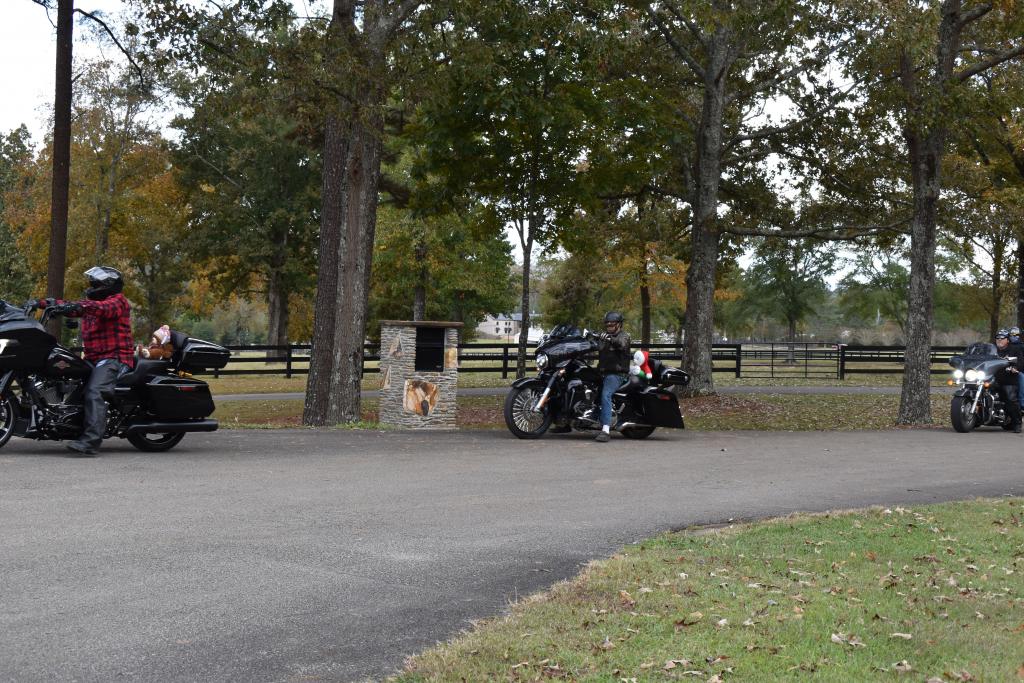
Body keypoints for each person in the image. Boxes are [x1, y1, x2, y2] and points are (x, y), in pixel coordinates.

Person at [59, 267, 134, 456]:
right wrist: (44, 304)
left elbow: (103, 309)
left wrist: (78, 306)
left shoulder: (118, 302)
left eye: (95, 284)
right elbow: (71, 307)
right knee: (72, 386)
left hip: (114, 358)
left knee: (95, 391)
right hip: (94, 359)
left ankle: (91, 442)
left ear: (108, 285)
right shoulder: (91, 305)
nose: (91, 286)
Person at [591, 311, 631, 443]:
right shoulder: (604, 337)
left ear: (619, 324)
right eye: (607, 324)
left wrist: (609, 339)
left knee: (606, 394)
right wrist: (590, 339)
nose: (609, 326)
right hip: (602, 372)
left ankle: (606, 430)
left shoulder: (624, 336)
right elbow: (595, 348)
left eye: (612, 324)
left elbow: (621, 344)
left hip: (617, 374)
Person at [994, 329, 1022, 434]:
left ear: (1007, 340)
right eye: (997, 338)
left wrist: (1015, 367)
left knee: (1011, 398)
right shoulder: (992, 350)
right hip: (992, 378)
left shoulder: (1014, 349)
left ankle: (1017, 423)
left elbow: (1020, 361)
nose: (999, 340)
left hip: (1008, 379)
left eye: (1002, 338)